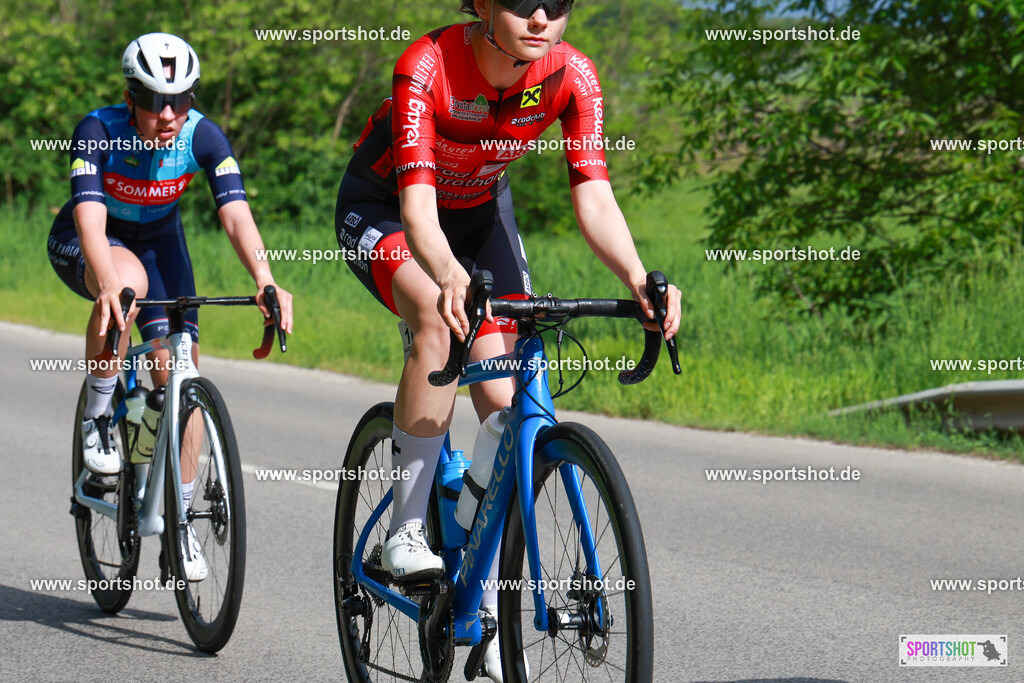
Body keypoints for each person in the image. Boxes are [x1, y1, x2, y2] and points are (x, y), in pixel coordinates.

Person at [335, 0, 680, 678]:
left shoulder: (574, 74)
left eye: (560, 2)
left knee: (505, 406)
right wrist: (448, 277)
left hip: (482, 211)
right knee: (437, 316)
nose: (542, 15)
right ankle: (407, 527)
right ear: (481, 4)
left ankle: (484, 596)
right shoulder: (427, 65)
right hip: (390, 208)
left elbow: (595, 193)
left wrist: (639, 277)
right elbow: (417, 210)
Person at [48, 32, 293, 580]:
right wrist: (108, 281)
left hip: (161, 243)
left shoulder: (203, 135)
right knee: (125, 286)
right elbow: (89, 217)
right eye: (156, 100)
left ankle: (179, 517)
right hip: (89, 239)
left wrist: (265, 279)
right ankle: (98, 418)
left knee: (177, 368)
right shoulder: (98, 130)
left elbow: (235, 213)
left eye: (180, 99)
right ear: (131, 96)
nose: (169, 113)